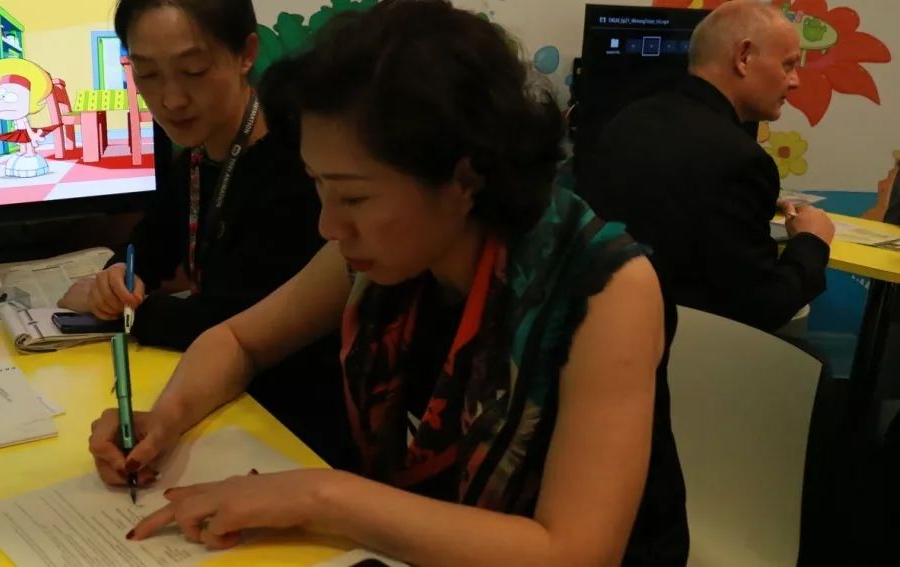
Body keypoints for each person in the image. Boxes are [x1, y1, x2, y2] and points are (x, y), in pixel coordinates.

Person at [88, 1, 689, 564]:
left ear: (464, 179)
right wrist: (163, 420)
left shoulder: (605, 289)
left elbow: (575, 552)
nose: (328, 226)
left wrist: (320, 497)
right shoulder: (384, 252)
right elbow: (239, 341)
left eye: (354, 197)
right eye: (319, 186)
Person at [59, 0, 350, 467]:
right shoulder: (199, 153)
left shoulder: (296, 160)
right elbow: (151, 244)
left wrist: (129, 314)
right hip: (234, 401)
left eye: (193, 71)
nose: (172, 99)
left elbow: (237, 321)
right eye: (147, 74)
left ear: (246, 54)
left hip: (297, 422)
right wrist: (118, 278)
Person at [576, 0, 835, 334]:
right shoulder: (741, 161)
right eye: (788, 65)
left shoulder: (628, 120)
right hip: (683, 343)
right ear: (744, 57)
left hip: (598, 329)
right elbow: (763, 307)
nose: (795, 81)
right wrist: (812, 241)